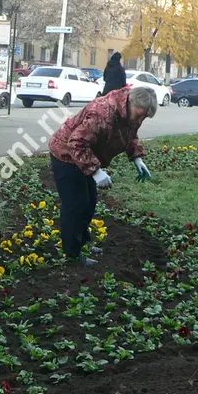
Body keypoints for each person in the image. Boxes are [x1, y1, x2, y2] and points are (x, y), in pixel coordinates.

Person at [48, 86, 158, 266]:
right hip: (65, 154)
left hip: (86, 156)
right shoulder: (102, 112)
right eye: (139, 115)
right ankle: (72, 254)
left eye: (144, 117)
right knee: (75, 206)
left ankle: (81, 242)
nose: (140, 119)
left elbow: (130, 134)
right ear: (131, 102)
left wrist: (136, 157)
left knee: (89, 202)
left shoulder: (132, 112)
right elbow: (76, 143)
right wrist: (96, 171)